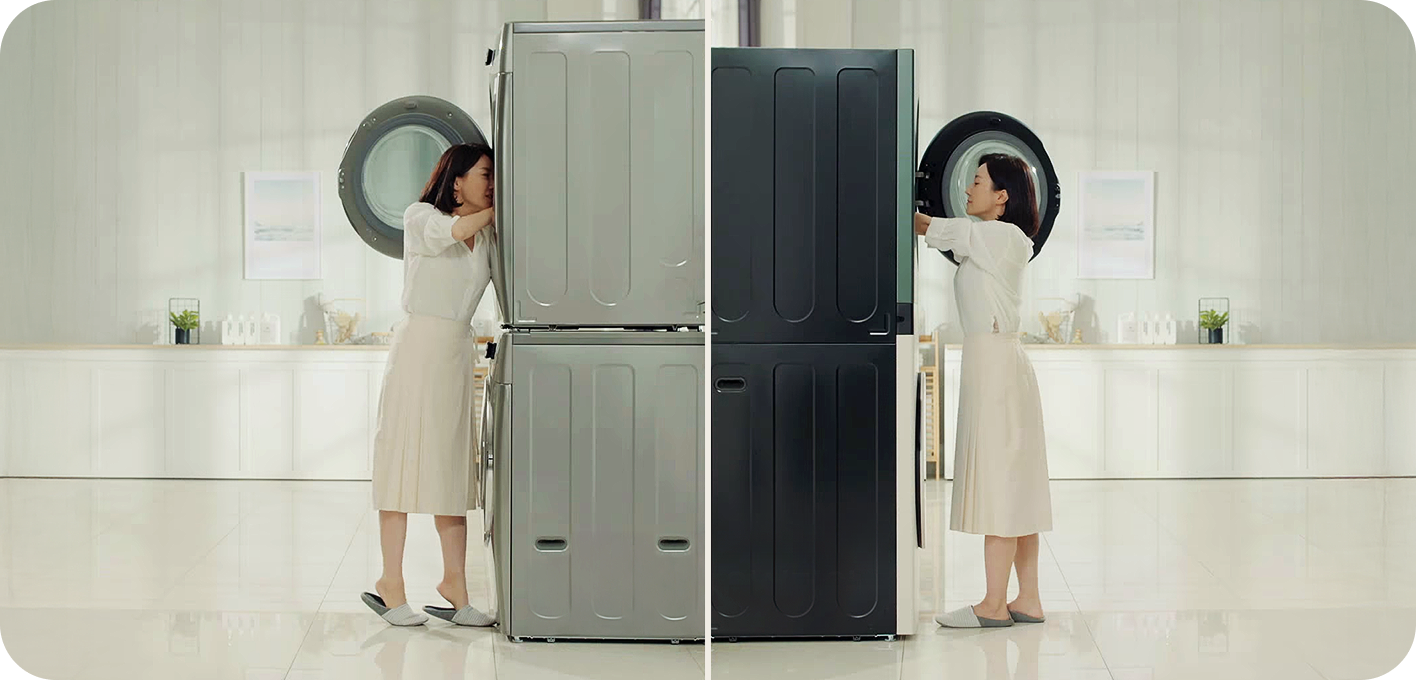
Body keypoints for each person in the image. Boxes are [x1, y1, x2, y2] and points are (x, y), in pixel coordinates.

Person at [361, 143, 497, 628]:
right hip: (419, 349)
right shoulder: (421, 216)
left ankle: (454, 586)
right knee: (401, 461)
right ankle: (390, 583)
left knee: (451, 467)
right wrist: (504, 209)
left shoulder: (488, 239)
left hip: (457, 353)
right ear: (456, 180)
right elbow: (453, 230)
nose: (492, 183)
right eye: (486, 174)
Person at [915, 153, 1053, 629]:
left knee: (999, 483)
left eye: (976, 181)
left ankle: (994, 604)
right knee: (1018, 487)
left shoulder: (998, 235)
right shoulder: (998, 241)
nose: (967, 189)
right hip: (999, 364)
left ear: (1002, 196)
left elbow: (925, 225)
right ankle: (1027, 599)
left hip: (995, 368)